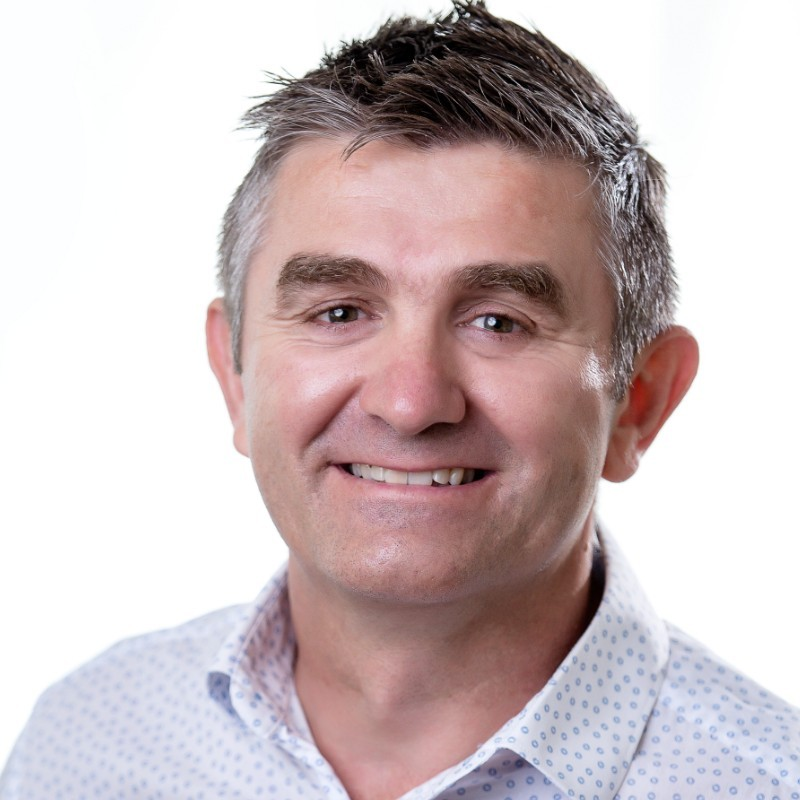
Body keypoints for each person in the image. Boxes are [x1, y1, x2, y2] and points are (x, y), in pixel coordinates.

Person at [2, 2, 798, 798]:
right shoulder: (83, 745)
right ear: (234, 374)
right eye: (339, 312)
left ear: (640, 402)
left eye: (499, 321)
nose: (411, 404)